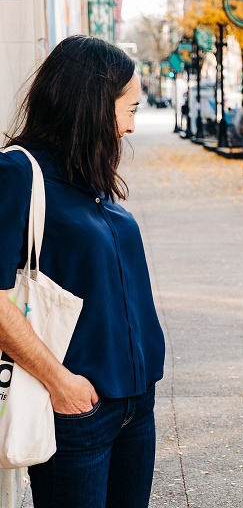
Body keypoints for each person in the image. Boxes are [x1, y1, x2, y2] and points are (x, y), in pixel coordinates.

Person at [0, 35, 165, 507]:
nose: (132, 126)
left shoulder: (88, 175)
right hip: (76, 406)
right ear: (93, 103)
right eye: (130, 109)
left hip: (137, 402)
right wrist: (60, 381)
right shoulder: (17, 174)